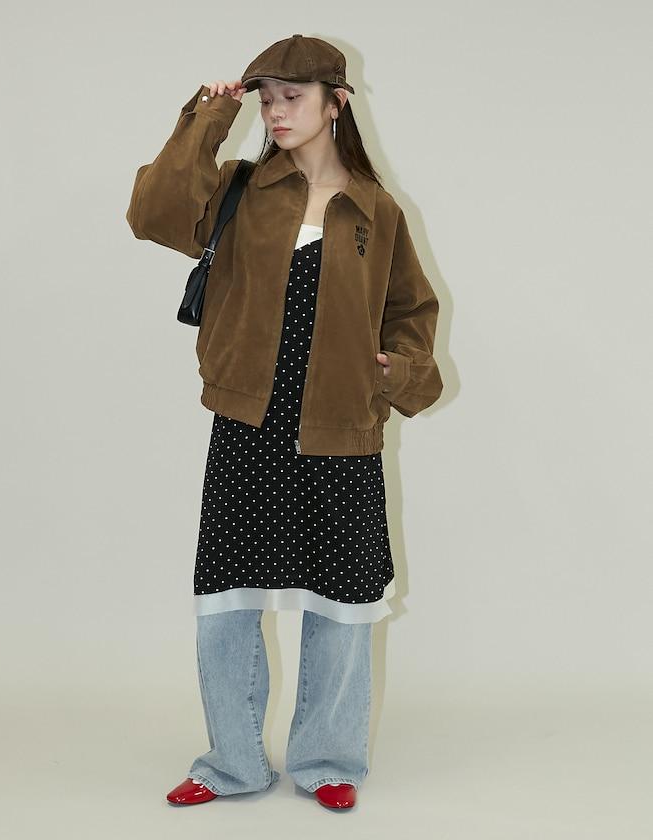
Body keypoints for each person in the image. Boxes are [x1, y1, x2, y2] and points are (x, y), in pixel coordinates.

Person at [126, 34, 444, 811]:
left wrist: (395, 370)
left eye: (292, 97)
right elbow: (152, 214)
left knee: (342, 603)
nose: (275, 111)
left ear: (337, 102)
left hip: (340, 426)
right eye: (266, 97)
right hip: (248, 422)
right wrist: (206, 118)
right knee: (229, 601)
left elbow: (412, 311)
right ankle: (231, 763)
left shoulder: (377, 209)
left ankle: (328, 761)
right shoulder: (239, 189)